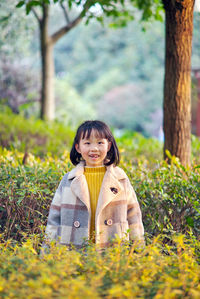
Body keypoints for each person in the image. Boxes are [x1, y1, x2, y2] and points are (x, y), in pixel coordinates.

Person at [44, 120, 144, 250]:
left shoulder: (120, 179)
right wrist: (47, 255)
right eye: (87, 143)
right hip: (73, 254)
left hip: (113, 252)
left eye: (100, 142)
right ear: (78, 147)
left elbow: (134, 217)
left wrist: (139, 253)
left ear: (108, 145)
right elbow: (54, 220)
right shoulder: (68, 180)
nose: (94, 148)